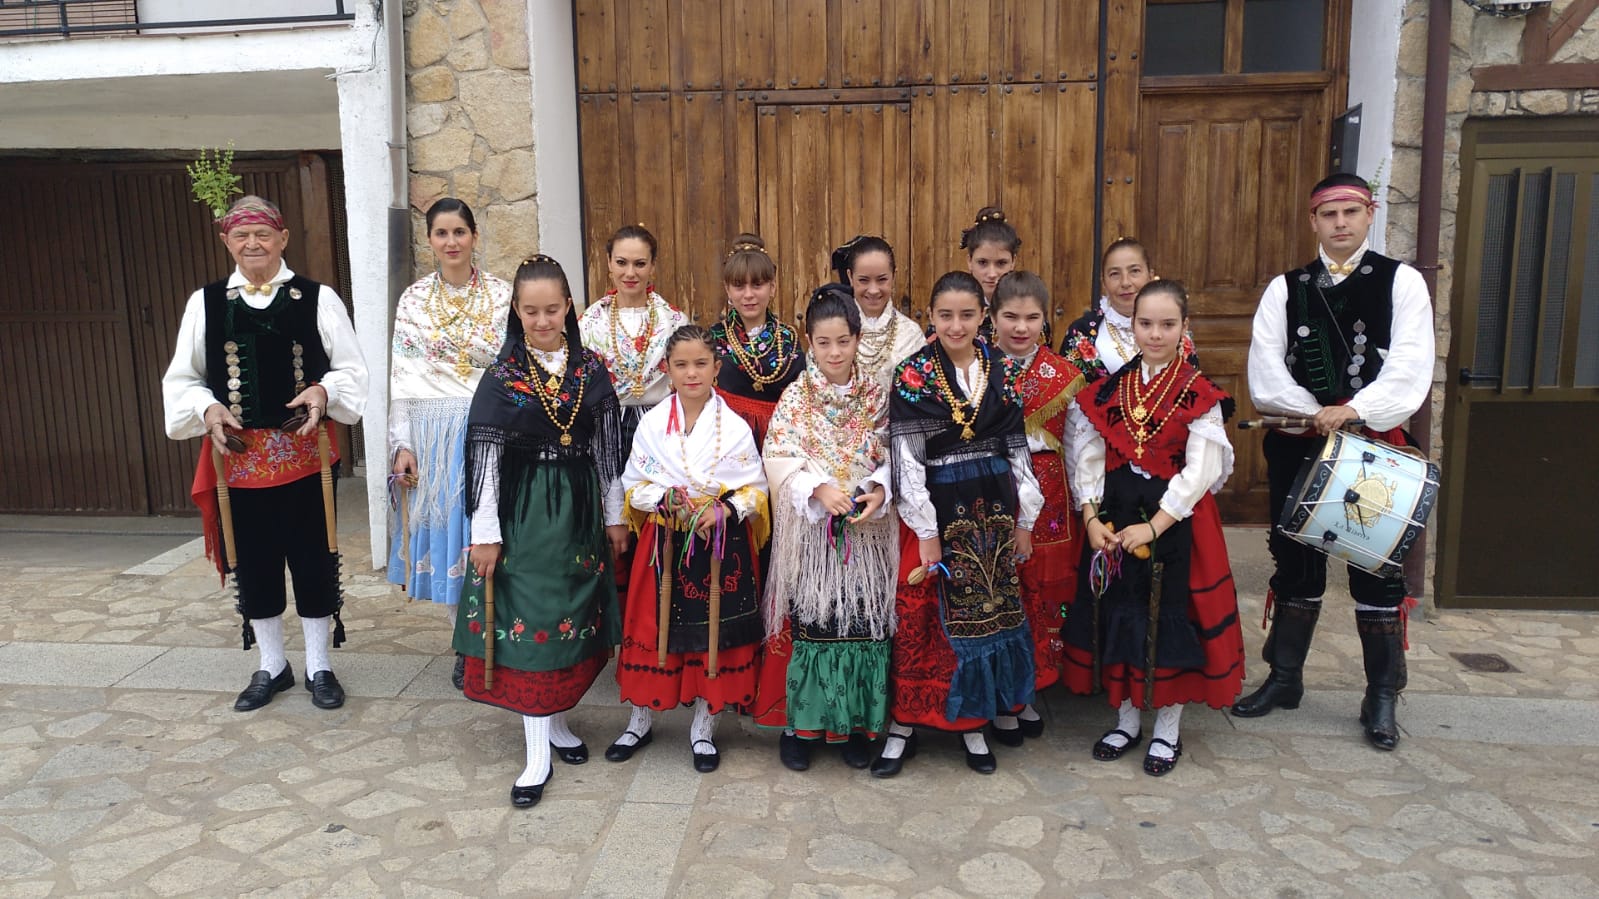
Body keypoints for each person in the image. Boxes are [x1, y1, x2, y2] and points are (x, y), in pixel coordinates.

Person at [1236, 172, 1435, 752]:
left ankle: (1381, 696)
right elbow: (1266, 371)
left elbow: (1409, 368)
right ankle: (1285, 679)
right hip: (1298, 442)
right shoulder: (1286, 287)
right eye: (1329, 214)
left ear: (1370, 213)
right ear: (1313, 221)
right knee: (1295, 564)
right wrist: (1313, 410)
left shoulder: (1402, 284)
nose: (1341, 223)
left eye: (1351, 211)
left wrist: (1353, 409)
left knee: (1377, 570)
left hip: (1374, 448)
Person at [162, 195, 368, 712]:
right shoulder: (204, 303)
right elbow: (183, 378)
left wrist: (323, 393)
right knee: (252, 561)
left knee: (313, 558)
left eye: (262, 234)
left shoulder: (318, 298)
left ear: (282, 238)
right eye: (241, 235)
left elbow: (351, 369)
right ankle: (271, 665)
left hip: (305, 457)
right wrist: (207, 409)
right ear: (226, 242)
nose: (252, 244)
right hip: (238, 460)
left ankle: (320, 664)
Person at [454, 255, 627, 808]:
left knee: (571, 614)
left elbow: (607, 454)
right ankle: (535, 756)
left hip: (578, 512)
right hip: (525, 513)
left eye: (552, 309)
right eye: (530, 311)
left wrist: (615, 514)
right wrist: (486, 533)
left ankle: (555, 724)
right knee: (533, 617)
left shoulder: (591, 370)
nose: (543, 320)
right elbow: (485, 458)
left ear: (569, 307)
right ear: (515, 310)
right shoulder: (502, 378)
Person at [1063, 279, 1244, 776]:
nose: (1156, 334)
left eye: (1167, 324)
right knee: (1121, 609)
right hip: (1117, 514)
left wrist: (1156, 527)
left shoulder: (1199, 394)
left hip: (1176, 521)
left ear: (1185, 328)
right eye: (1146, 324)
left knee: (1168, 617)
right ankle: (1126, 718)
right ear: (1131, 325)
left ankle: (1167, 729)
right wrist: (1090, 515)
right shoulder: (1113, 388)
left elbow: (1200, 470)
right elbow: (1091, 454)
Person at [876, 271, 1043, 778]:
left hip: (991, 507)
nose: (956, 325)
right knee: (921, 613)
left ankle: (974, 719)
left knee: (988, 612)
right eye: (945, 315)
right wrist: (926, 531)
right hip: (935, 508)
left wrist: (1026, 518)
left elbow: (1017, 452)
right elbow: (906, 461)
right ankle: (905, 722)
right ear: (931, 315)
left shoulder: (1002, 374)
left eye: (967, 314)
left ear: (983, 317)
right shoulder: (912, 375)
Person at [609, 326, 771, 773]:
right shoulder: (652, 423)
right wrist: (661, 499)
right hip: (663, 543)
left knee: (711, 638)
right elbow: (633, 484)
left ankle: (704, 726)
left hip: (718, 547)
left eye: (701, 363)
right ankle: (639, 719)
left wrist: (725, 510)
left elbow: (754, 490)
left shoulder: (735, 427)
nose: (691, 372)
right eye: (681, 364)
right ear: (667, 370)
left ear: (717, 368)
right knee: (650, 631)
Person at [755, 286, 897, 771]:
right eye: (823, 343)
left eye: (843, 341)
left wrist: (878, 488)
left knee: (862, 627)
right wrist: (817, 488)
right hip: (815, 538)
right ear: (809, 342)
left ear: (858, 339)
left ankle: (856, 727)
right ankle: (802, 728)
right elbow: (778, 455)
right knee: (814, 628)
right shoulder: (796, 397)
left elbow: (893, 453)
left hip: (867, 532)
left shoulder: (878, 394)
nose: (834, 353)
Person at [388, 198, 513, 689]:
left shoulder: (503, 296)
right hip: (435, 433)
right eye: (442, 233)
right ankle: (465, 644)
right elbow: (402, 376)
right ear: (430, 240)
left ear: (475, 236)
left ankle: (501, 641)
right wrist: (402, 443)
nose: (452, 242)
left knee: (492, 537)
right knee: (451, 543)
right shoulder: (413, 301)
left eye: (460, 231)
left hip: (491, 425)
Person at [989, 272, 1087, 745]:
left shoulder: (1064, 378)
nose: (1021, 327)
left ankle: (1027, 693)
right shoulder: (978, 369)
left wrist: (1086, 504)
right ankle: (999, 699)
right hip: (989, 494)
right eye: (1010, 316)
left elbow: (1076, 446)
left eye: (1031, 317)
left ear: (1046, 321)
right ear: (992, 318)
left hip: (1048, 504)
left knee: (1039, 597)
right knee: (996, 593)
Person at [577, 224, 690, 451]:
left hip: (663, 428)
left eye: (639, 264)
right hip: (606, 429)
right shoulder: (589, 322)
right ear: (609, 262)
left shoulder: (674, 321)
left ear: (652, 266)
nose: (630, 273)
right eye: (621, 262)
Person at [1060, 238, 1196, 382]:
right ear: (1103, 282)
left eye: (1134, 271)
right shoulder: (1081, 332)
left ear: (1150, 276)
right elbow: (1071, 394)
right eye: (1114, 274)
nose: (1125, 282)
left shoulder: (1175, 328)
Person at [710, 233, 802, 446]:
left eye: (757, 285)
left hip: (780, 441)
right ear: (727, 289)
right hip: (726, 443)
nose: (748, 294)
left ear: (772, 287)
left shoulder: (788, 340)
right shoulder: (713, 339)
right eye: (739, 286)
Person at [831, 235, 925, 389]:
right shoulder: (832, 328)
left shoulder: (911, 334)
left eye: (882, 280)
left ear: (894, 275)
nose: (873, 290)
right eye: (863, 280)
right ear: (850, 276)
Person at [960, 206, 1017, 342]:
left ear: (1013, 261)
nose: (992, 274)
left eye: (1001, 263)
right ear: (969, 261)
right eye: (983, 263)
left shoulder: (1028, 308)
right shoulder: (953, 308)